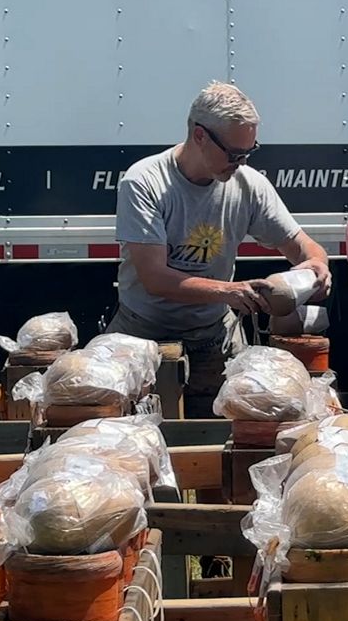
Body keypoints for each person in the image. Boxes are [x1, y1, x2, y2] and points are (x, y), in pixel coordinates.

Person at [106, 81, 331, 417]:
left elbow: (300, 244)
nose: (240, 162)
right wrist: (229, 291)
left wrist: (316, 265)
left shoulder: (248, 184)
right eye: (233, 153)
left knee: (229, 429)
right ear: (200, 135)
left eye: (249, 152)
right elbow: (155, 278)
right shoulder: (145, 182)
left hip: (214, 336)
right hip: (143, 335)